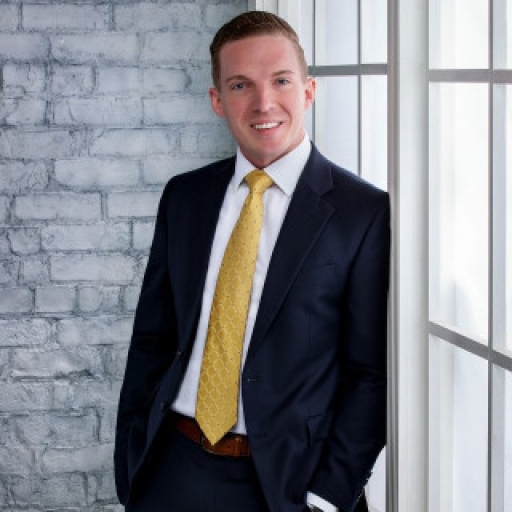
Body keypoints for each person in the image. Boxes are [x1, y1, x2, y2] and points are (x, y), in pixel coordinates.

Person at [114, 10, 390, 512]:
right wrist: (133, 465)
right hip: (172, 469)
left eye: (281, 80)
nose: (264, 102)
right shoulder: (185, 197)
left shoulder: (363, 212)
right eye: (241, 85)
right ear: (218, 100)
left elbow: (370, 374)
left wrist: (328, 497)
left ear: (308, 90)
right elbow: (152, 340)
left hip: (288, 487)